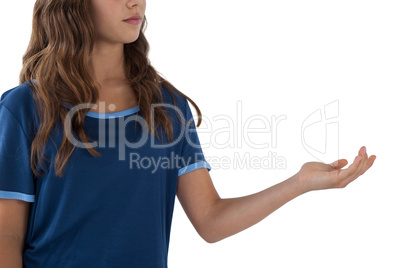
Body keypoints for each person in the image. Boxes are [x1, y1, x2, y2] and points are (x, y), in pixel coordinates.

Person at [0, 0, 376, 267]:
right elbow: (8, 237)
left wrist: (299, 182)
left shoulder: (165, 106)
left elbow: (211, 220)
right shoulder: (25, 108)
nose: (136, 3)